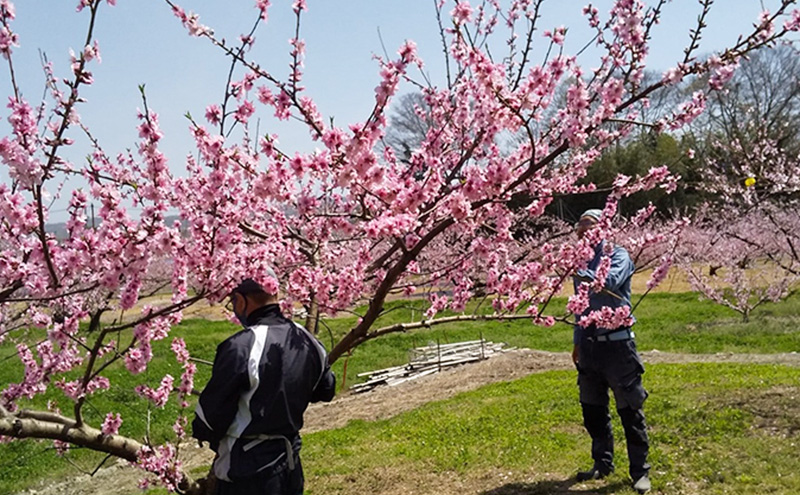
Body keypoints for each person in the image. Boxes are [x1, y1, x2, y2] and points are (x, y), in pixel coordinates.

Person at [192, 272, 336, 495]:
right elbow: (326, 390)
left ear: (240, 300)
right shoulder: (307, 340)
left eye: (233, 302)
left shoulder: (241, 346)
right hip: (290, 464)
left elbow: (209, 420)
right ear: (275, 293)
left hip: (246, 471)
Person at [571, 209, 651, 494]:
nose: (581, 231)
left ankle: (640, 471)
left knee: (629, 409)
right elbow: (580, 305)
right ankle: (602, 463)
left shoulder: (618, 255)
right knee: (592, 409)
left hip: (618, 345)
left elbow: (608, 282)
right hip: (590, 346)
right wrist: (577, 341)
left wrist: (577, 270)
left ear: (603, 228)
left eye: (587, 225)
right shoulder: (580, 262)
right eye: (579, 226)